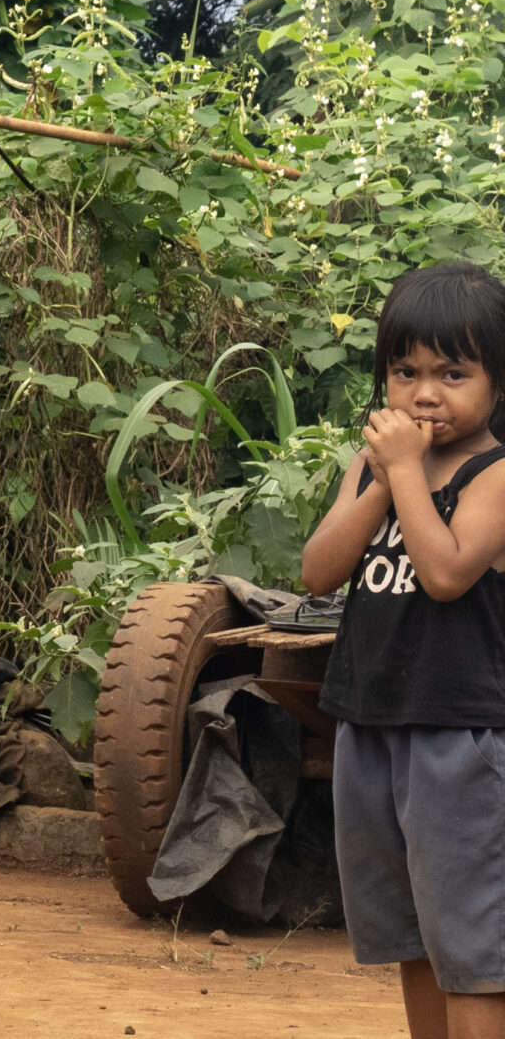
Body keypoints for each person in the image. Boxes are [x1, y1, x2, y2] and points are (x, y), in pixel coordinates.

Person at [302, 261, 505, 1039]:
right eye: (406, 372)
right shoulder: (375, 467)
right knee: (411, 936)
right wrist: (386, 478)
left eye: (453, 373)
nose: (425, 394)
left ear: (496, 383)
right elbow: (319, 571)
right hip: (372, 723)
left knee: (474, 951)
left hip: (460, 735)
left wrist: (406, 474)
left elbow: (447, 573)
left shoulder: (494, 474)